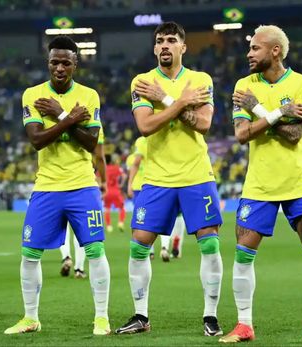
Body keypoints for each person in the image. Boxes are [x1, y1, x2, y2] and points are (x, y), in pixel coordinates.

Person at [219, 25, 302, 345]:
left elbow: (295, 135)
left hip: (299, 182)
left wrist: (258, 109)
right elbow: (242, 135)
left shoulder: (301, 84)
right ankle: (244, 325)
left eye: (255, 48)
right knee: (242, 256)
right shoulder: (244, 85)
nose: (249, 53)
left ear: (275, 51)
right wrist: (281, 112)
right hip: (259, 185)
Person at [116, 22, 223, 336]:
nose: (165, 45)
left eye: (172, 40)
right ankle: (140, 315)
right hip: (157, 177)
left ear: (183, 47)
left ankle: (211, 316)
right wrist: (179, 103)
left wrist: (164, 100)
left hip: (196, 175)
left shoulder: (200, 79)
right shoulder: (142, 81)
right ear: (154, 48)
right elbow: (146, 127)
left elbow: (203, 124)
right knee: (139, 246)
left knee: (209, 244)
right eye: (160, 41)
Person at [4, 35, 111, 336]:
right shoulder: (33, 95)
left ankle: (101, 318)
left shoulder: (90, 95)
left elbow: (91, 143)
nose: (60, 67)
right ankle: (30, 318)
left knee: (95, 250)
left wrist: (58, 115)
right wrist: (69, 118)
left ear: (76, 63)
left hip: (82, 186)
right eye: (55, 62)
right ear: (47, 63)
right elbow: (37, 140)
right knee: (29, 254)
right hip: (47, 187)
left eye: (66, 62)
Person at [127, 137, 186, 262]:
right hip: (167, 183)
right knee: (169, 217)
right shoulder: (169, 138)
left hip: (144, 186)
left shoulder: (142, 141)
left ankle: (150, 251)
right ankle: (165, 246)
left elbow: (136, 163)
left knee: (144, 222)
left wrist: (129, 184)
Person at [60, 129, 106, 279]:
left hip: (56, 181)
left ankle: (66, 257)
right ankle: (79, 268)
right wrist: (104, 181)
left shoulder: (50, 115)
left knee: (63, 227)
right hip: (82, 182)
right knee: (81, 228)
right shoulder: (92, 120)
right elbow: (99, 156)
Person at [104, 154, 126, 233]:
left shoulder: (104, 168)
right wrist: (121, 184)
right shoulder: (117, 168)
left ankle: (109, 226)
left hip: (107, 192)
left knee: (107, 209)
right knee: (122, 208)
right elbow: (124, 175)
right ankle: (120, 222)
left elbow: (97, 177)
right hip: (116, 191)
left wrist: (101, 185)